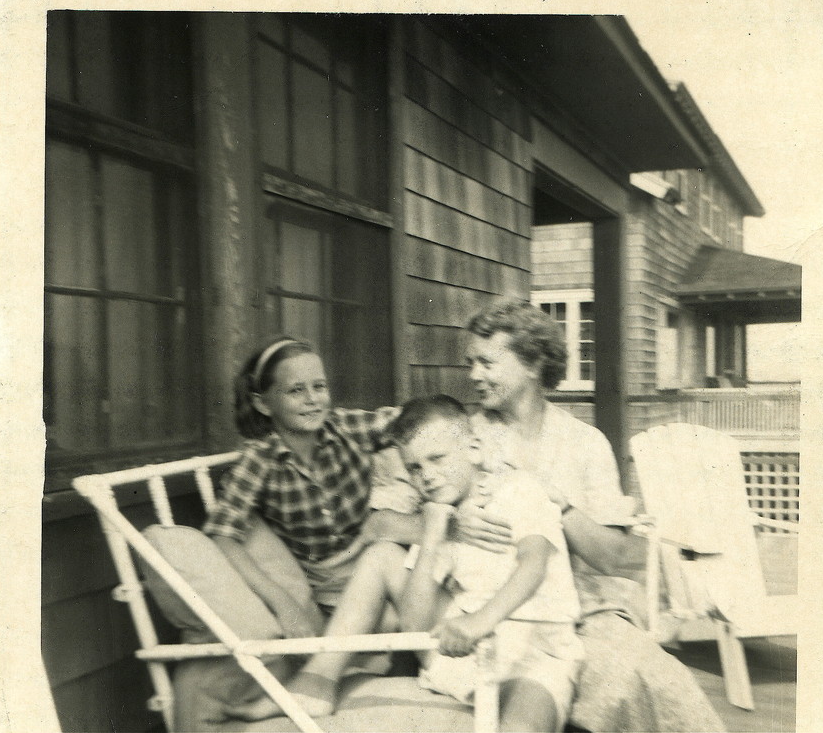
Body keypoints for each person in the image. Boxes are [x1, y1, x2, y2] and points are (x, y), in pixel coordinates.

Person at [225, 395, 583, 733]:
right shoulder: (439, 515)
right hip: (463, 651)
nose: (425, 476)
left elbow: (533, 566)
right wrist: (432, 532)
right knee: (382, 556)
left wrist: (478, 622)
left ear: (474, 449)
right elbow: (416, 623)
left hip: (535, 650)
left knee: (524, 722)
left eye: (437, 459)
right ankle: (317, 682)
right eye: (414, 467)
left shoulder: (517, 488)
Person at [454, 299, 726, 732]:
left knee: (658, 679)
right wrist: (453, 521)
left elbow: (617, 558)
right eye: (470, 363)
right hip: (499, 611)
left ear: (533, 362)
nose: (473, 375)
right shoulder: (463, 436)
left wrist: (557, 503)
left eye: (486, 362)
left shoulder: (584, 443)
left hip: (586, 610)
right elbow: (391, 519)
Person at [201, 336, 417, 651]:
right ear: (264, 403)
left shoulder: (344, 427)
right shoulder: (259, 460)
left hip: (377, 548)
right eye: (295, 390)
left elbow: (410, 422)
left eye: (320, 387)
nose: (312, 400)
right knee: (393, 625)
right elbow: (222, 535)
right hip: (329, 581)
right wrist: (283, 603)